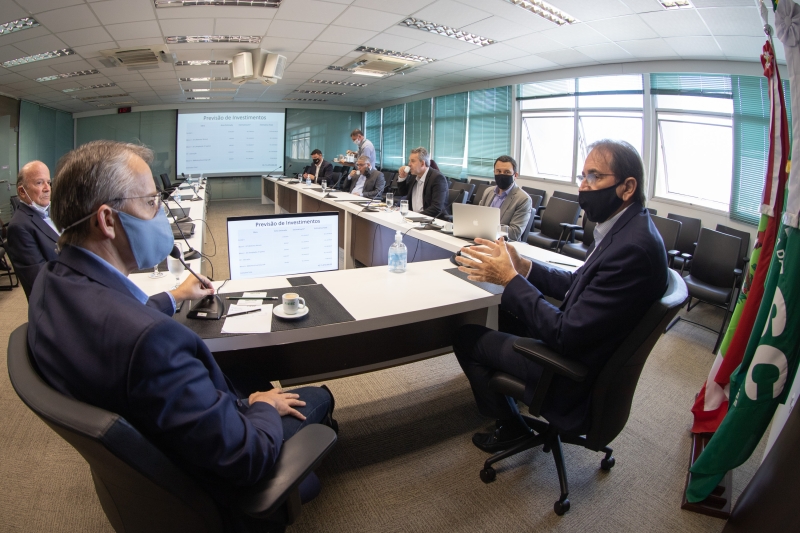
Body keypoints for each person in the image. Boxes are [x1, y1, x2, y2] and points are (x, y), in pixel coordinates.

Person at [28, 140, 337, 527]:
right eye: (152, 203)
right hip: (218, 485)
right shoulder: (152, 344)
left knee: (243, 367)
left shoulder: (51, 282)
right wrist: (260, 405)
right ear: (107, 221)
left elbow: (117, 318)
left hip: (158, 442)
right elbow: (244, 458)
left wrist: (174, 297)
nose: (162, 215)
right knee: (314, 398)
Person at [453, 140, 668, 452]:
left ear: (627, 187)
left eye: (594, 177)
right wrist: (524, 267)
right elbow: (577, 283)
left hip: (571, 372)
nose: (584, 185)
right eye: (582, 176)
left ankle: (511, 425)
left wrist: (509, 279)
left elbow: (564, 334)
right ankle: (513, 392)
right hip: (588, 347)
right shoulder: (627, 229)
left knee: (466, 336)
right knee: (509, 315)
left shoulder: (631, 248)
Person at [6, 161, 60, 298]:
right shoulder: (19, 227)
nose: (47, 188)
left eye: (48, 182)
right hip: (57, 300)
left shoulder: (54, 212)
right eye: (39, 183)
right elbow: (41, 280)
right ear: (22, 192)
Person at [478, 156, 532, 241]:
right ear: (494, 172)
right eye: (498, 171)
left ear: (515, 175)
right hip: (482, 238)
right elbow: (478, 216)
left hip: (505, 245)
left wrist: (488, 227)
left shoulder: (523, 199)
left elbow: (515, 233)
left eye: (507, 172)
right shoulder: (488, 191)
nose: (502, 175)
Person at [395, 147, 448, 218]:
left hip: (431, 220)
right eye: (409, 161)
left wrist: (415, 216)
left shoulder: (437, 178)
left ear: (422, 163)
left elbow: (436, 208)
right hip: (413, 218)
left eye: (413, 161)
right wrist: (402, 177)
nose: (409, 164)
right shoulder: (414, 176)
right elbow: (403, 193)